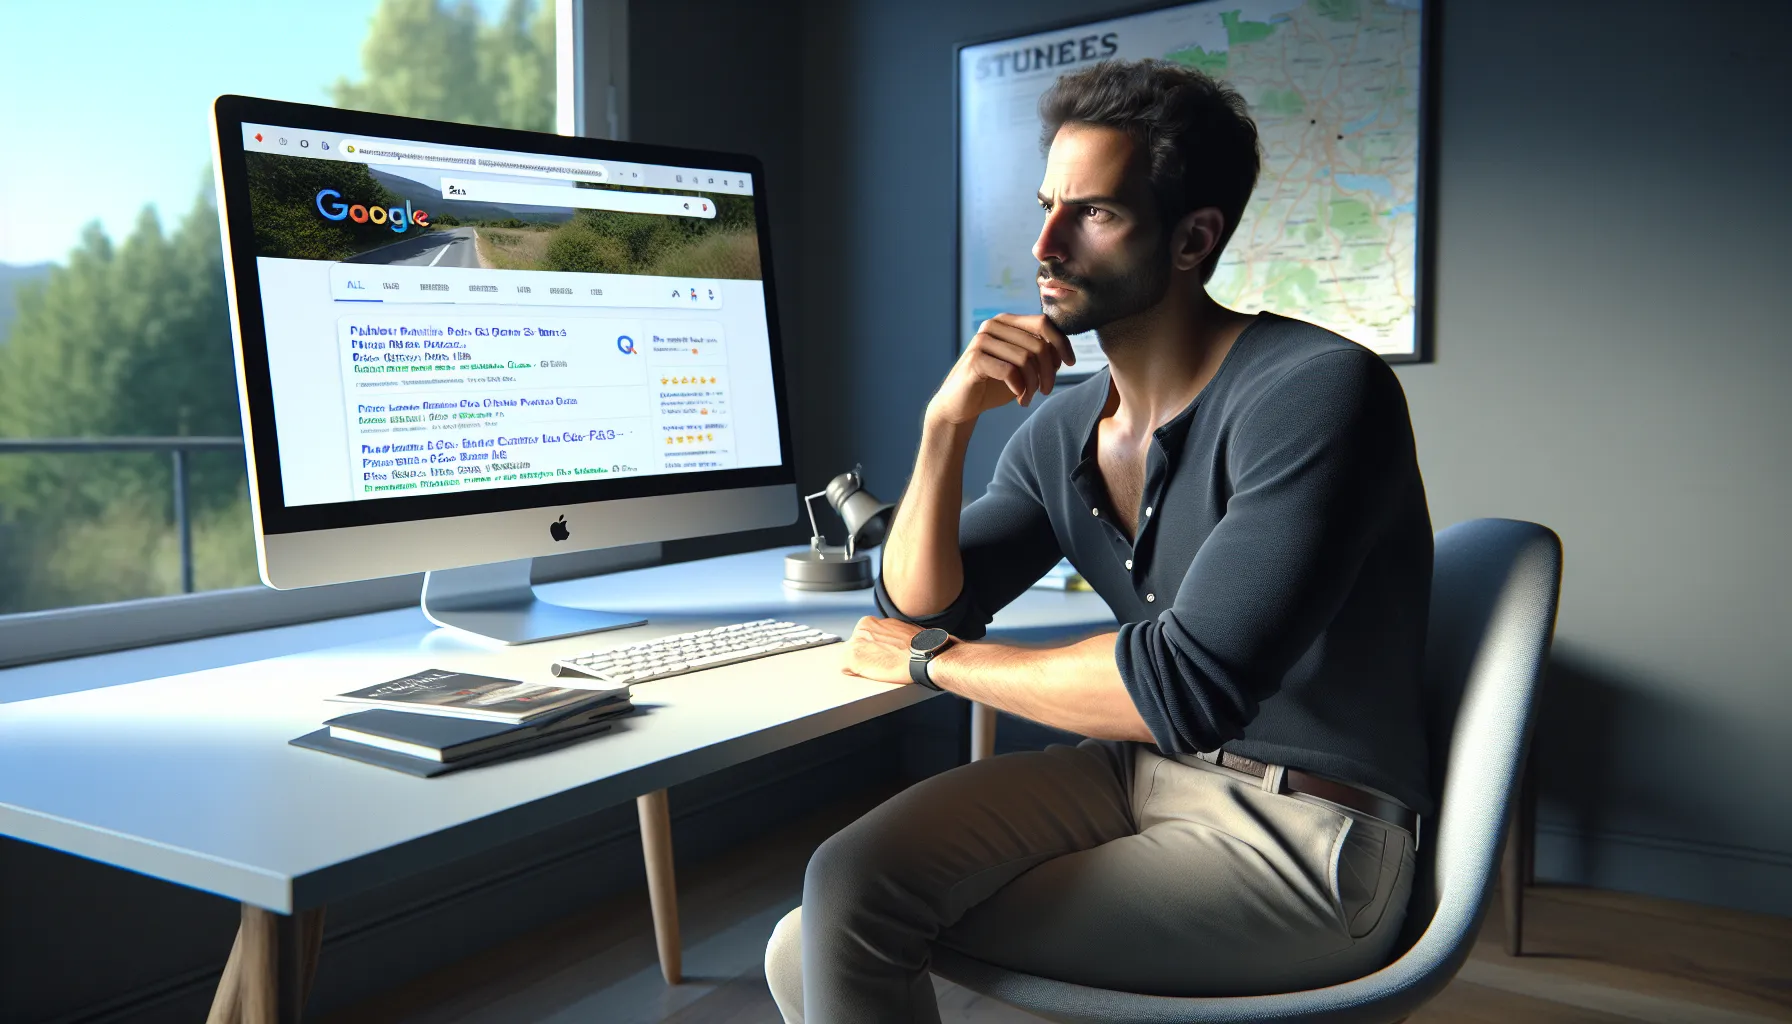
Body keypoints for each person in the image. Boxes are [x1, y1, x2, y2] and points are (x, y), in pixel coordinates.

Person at [764, 58, 1433, 1023]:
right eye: (1047, 206)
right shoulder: (1061, 426)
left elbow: (1180, 687)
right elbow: (916, 605)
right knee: (840, 884)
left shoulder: (1318, 391)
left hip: (1307, 833)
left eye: (1094, 214)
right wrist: (944, 426)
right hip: (1134, 775)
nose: (1044, 244)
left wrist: (935, 668)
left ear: (1193, 238)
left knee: (835, 931)